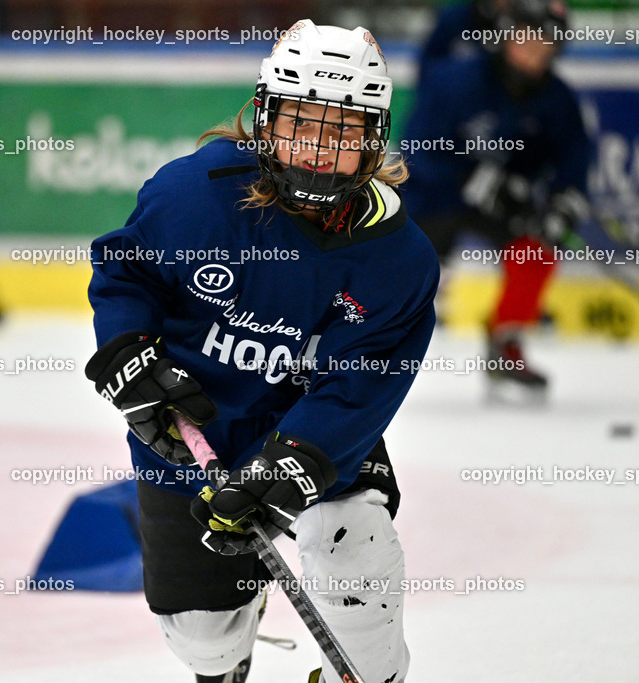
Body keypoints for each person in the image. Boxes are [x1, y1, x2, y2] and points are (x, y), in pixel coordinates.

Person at [85, 20, 438, 683]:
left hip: (312, 428)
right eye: (300, 124)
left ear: (373, 139)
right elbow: (128, 272)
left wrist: (298, 459)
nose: (317, 149)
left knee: (350, 544)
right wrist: (128, 354)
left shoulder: (398, 259)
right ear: (266, 119)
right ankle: (232, 639)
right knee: (204, 640)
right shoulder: (195, 196)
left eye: (342, 131)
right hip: (196, 429)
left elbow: (361, 385)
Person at [402, 0, 589, 401]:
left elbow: (573, 162)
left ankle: (506, 342)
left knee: (537, 248)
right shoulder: (457, 80)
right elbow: (418, 148)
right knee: (400, 263)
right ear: (506, 36)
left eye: (544, 47)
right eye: (525, 41)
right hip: (435, 198)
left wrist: (563, 203)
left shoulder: (558, 101)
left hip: (504, 204)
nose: (532, 54)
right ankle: (369, 347)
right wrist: (475, 179)